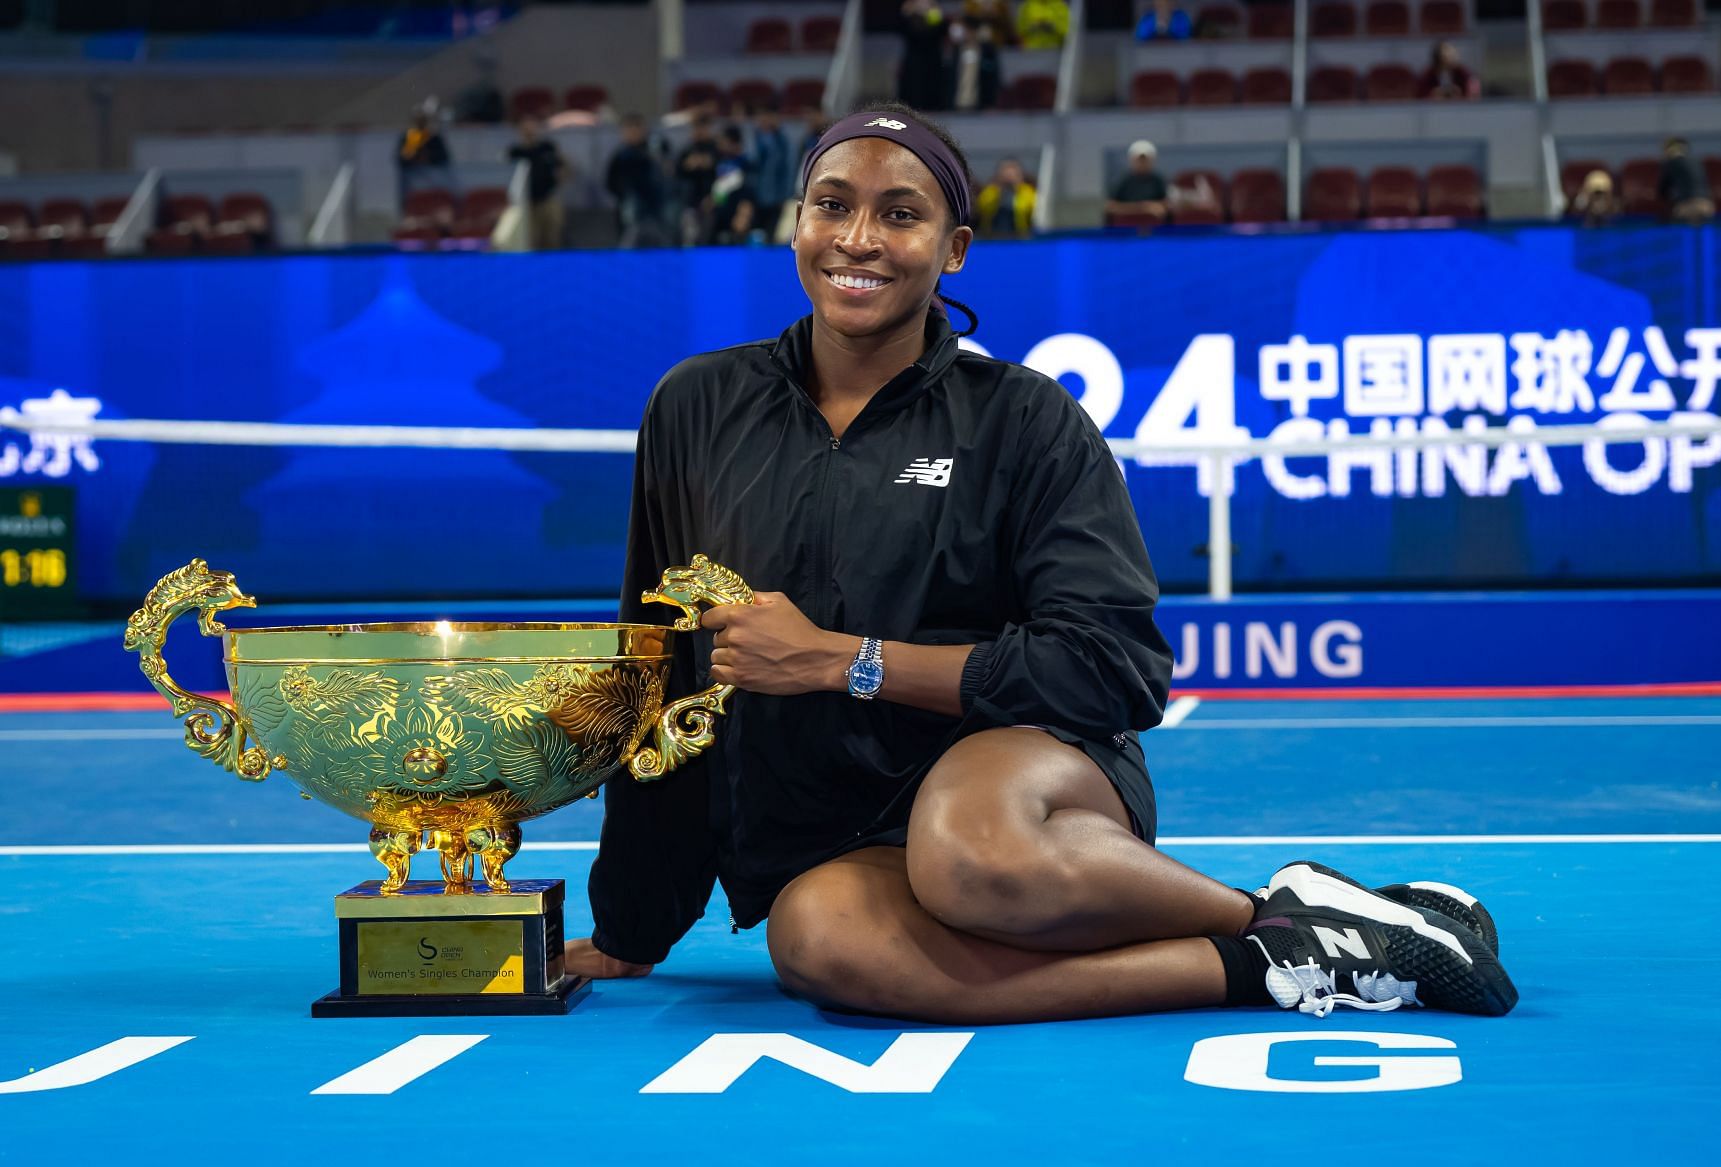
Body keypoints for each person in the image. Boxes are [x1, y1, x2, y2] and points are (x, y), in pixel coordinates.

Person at [565, 100, 1518, 1026]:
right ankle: (1274, 955)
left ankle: (1276, 911)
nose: (859, 237)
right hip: (831, 836)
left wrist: (840, 658)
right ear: (797, 224)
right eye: (832, 204)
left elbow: (1114, 668)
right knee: (820, 944)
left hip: (1028, 781)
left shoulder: (1026, 419)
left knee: (964, 849)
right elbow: (659, 666)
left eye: (901, 213)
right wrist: (633, 923)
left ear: (954, 249)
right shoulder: (695, 406)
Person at [507, 113, 568, 249]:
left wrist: (560, 178)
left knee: (552, 237)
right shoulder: (515, 152)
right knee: (530, 240)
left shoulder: (547, 147)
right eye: (525, 127)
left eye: (532, 126)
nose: (530, 130)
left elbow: (563, 166)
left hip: (548, 198)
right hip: (526, 202)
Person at [606, 113, 667, 248]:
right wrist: (625, 195)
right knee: (630, 245)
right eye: (629, 129)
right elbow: (610, 183)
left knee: (659, 246)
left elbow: (666, 174)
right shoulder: (621, 156)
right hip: (631, 210)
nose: (633, 132)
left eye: (637, 128)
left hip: (656, 208)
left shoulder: (656, 149)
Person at [749, 105, 797, 240]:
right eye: (761, 117)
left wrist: (786, 196)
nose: (764, 120)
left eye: (768, 116)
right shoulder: (755, 139)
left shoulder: (784, 142)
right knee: (755, 236)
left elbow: (788, 170)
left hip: (776, 198)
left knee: (773, 235)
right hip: (756, 197)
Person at [706, 125, 758, 245]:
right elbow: (719, 188)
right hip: (720, 216)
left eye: (722, 141)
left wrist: (744, 212)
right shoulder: (720, 161)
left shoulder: (746, 163)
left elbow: (749, 191)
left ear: (732, 142)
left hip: (737, 218)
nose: (719, 144)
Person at [675, 117, 721, 247]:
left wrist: (715, 198)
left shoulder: (718, 151)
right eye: (696, 128)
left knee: (710, 241)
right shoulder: (686, 151)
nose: (700, 131)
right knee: (690, 241)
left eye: (703, 127)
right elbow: (677, 175)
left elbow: (726, 179)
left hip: (714, 204)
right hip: (690, 204)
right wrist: (688, 165)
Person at [899, 1, 952, 112]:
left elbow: (940, 32)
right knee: (914, 82)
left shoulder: (934, 12)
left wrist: (932, 14)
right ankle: (913, 107)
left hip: (932, 55)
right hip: (915, 56)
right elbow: (907, 32)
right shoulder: (909, 13)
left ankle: (933, 106)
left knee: (933, 81)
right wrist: (909, 14)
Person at [1106, 139, 1170, 225]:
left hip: (1154, 231)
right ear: (1132, 160)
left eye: (1145, 160)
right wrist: (1144, 208)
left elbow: (1167, 205)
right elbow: (1111, 207)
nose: (1142, 163)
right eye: (1139, 160)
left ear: (1152, 161)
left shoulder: (1158, 181)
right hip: (1125, 231)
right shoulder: (1123, 181)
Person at [395, 101, 451, 200]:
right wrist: (414, 157)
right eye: (418, 120)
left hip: (434, 176)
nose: (420, 122)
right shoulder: (409, 137)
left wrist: (428, 157)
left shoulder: (433, 138)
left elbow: (444, 158)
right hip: (413, 176)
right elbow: (401, 159)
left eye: (422, 119)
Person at [948, 17, 1003, 111]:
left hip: (980, 105)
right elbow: (951, 79)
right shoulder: (957, 50)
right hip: (957, 105)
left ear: (974, 31)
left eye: (967, 30)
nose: (965, 33)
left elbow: (993, 78)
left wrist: (990, 104)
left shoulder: (987, 51)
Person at [1658, 136, 1715, 226]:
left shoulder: (1670, 163)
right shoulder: (1696, 162)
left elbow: (1662, 191)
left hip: (1687, 206)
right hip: (1707, 206)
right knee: (1704, 234)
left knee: (1680, 232)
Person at [974, 156, 1036, 237]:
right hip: (993, 236)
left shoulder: (1027, 192)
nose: (1009, 177)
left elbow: (1034, 210)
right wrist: (999, 192)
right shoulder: (991, 191)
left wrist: (1016, 189)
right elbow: (982, 208)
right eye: (1005, 173)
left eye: (1012, 173)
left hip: (1019, 236)